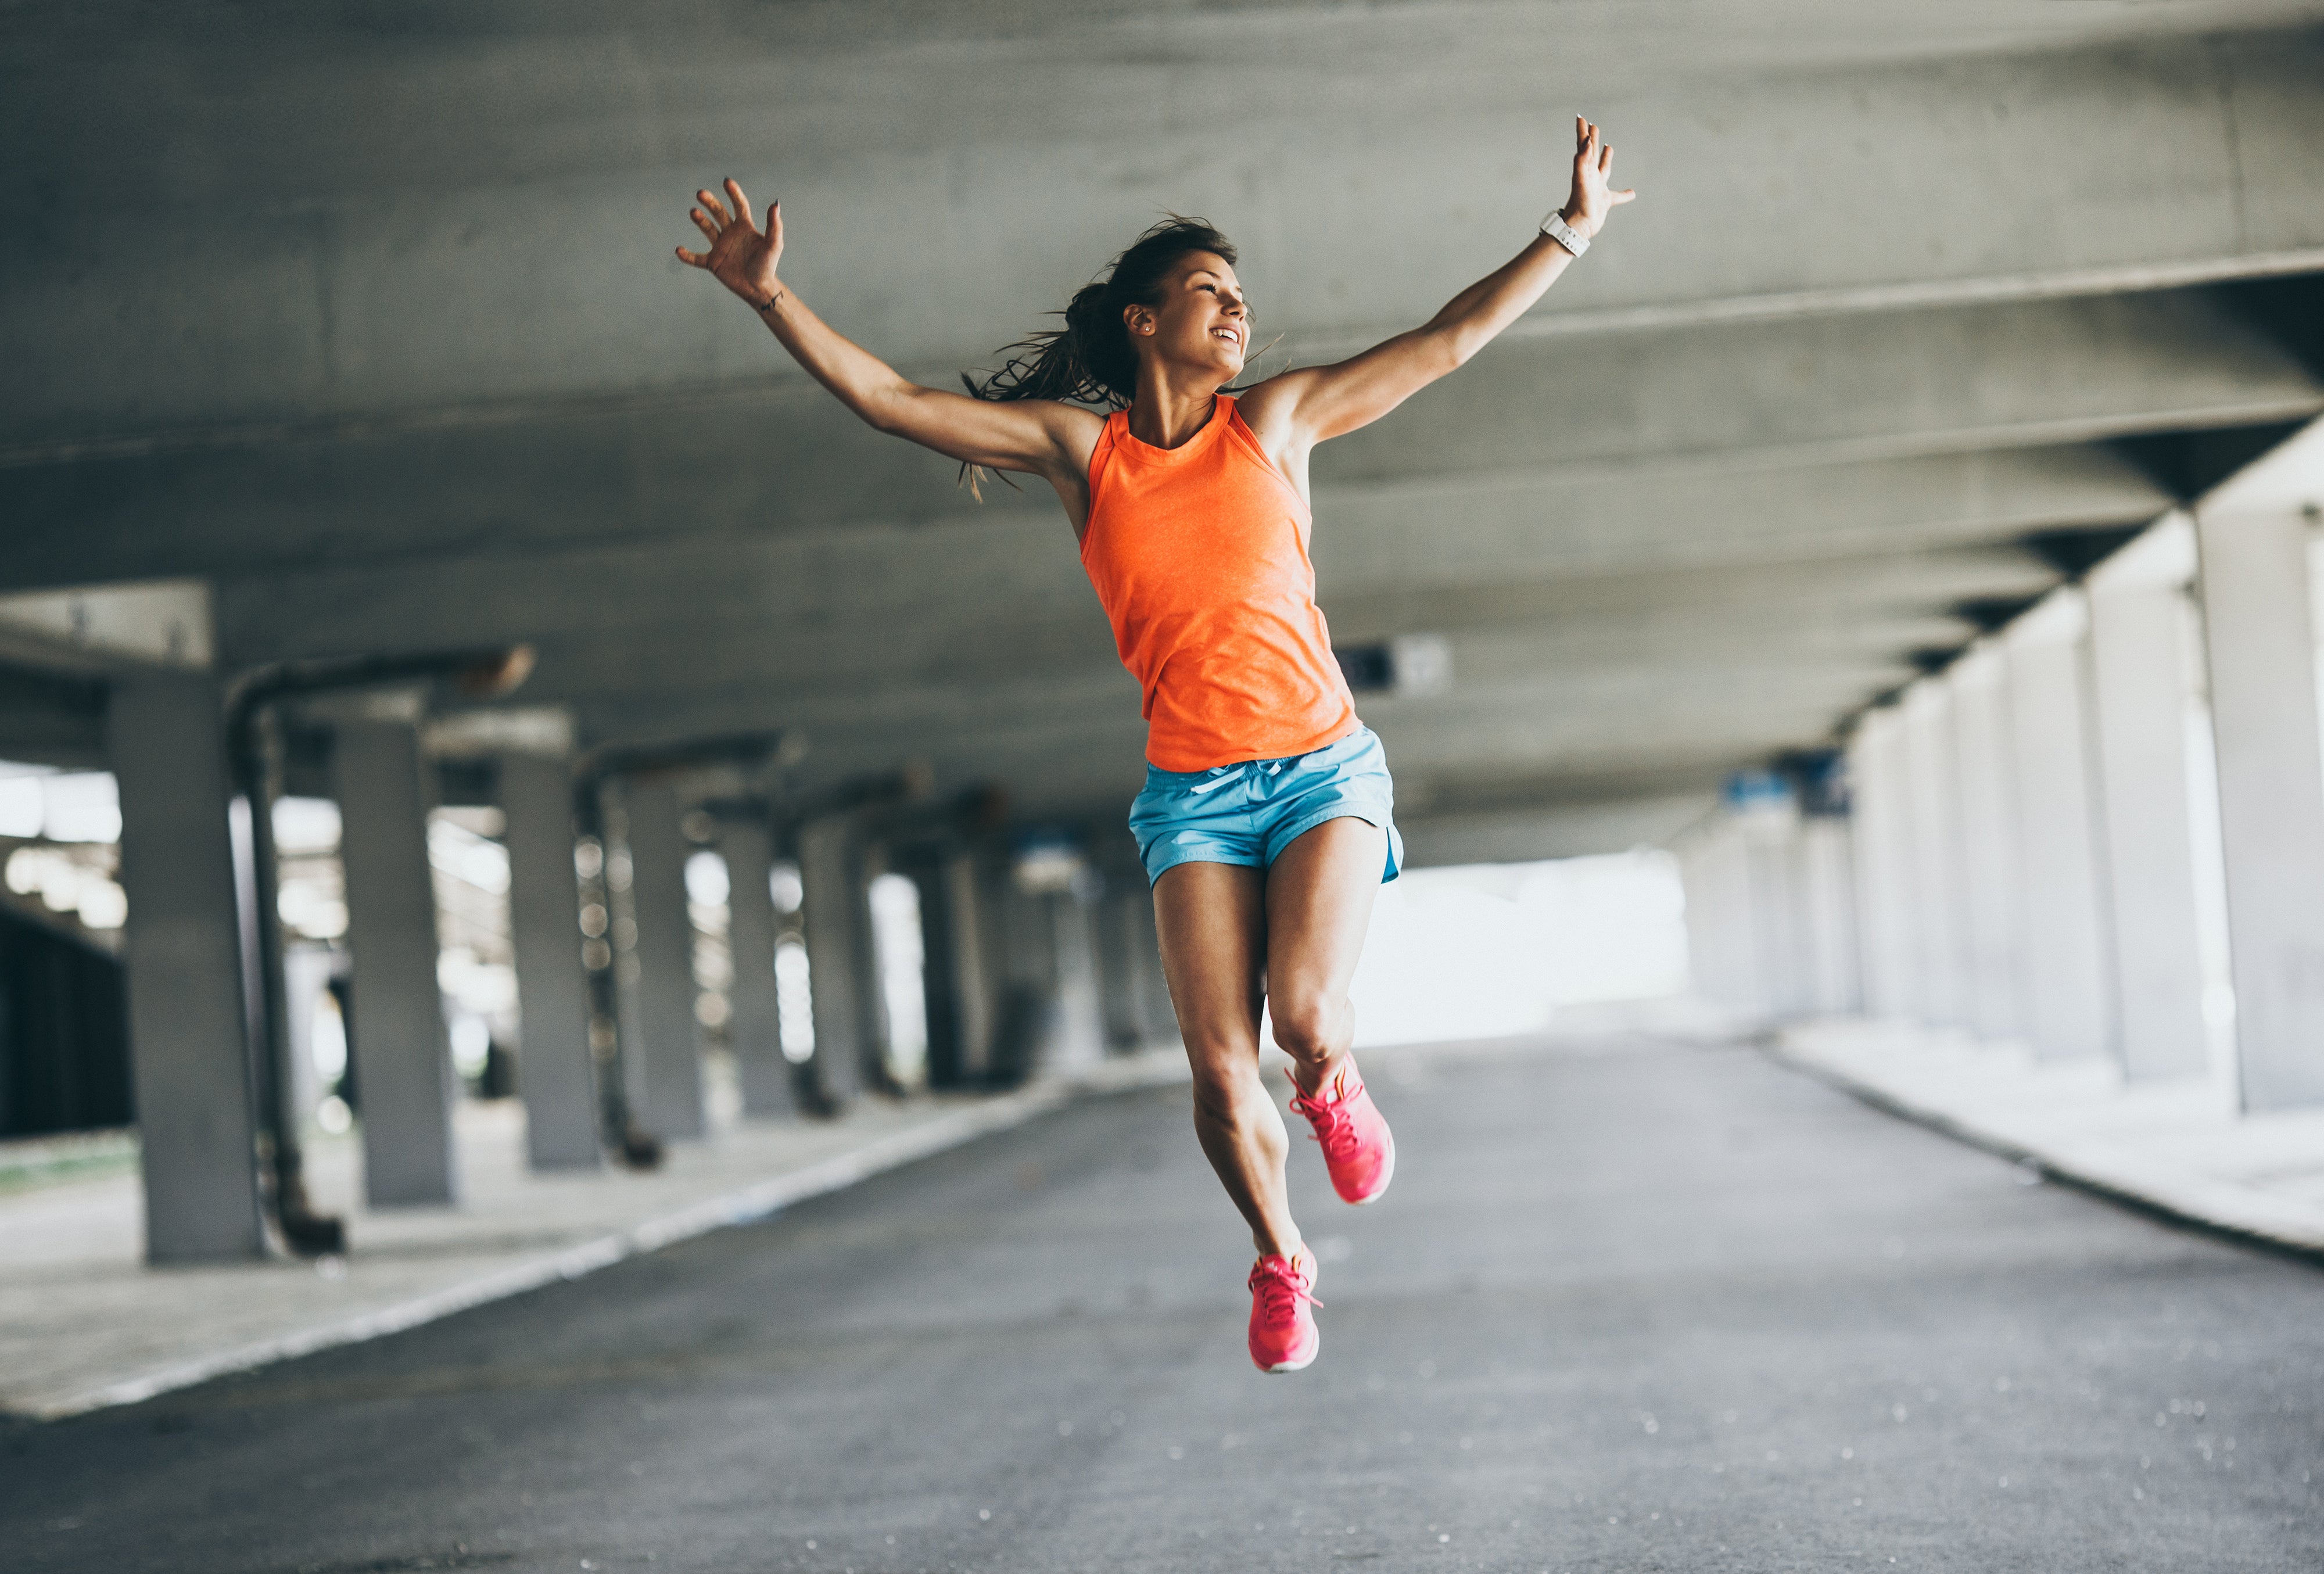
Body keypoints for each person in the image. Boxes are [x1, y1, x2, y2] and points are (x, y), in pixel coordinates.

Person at [676, 118, 1635, 1373]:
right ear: (1141, 319)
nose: (1235, 312)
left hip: (1320, 768)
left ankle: (1335, 1082)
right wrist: (770, 297)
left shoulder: (1276, 423)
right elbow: (891, 402)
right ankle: (1281, 1255)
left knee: (1300, 1015)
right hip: (1192, 796)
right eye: (1206, 292)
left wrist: (1567, 229)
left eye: (1240, 297)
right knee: (1214, 1064)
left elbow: (1443, 343)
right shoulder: (1086, 454)